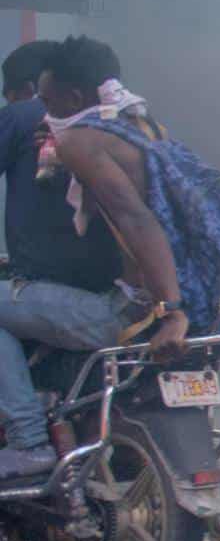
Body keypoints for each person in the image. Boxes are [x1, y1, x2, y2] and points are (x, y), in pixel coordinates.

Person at [0, 39, 150, 478]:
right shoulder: (136, 125)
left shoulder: (40, 122)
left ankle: (28, 440)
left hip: (100, 302)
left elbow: (137, 222)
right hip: (140, 299)